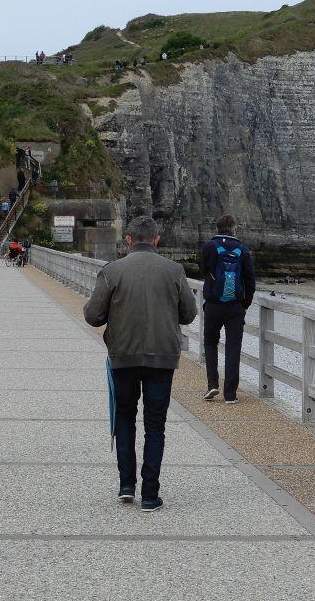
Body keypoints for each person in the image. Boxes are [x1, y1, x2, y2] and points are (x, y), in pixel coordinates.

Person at [84, 216, 197, 512]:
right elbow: (188, 314)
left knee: (124, 418)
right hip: (162, 358)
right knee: (155, 425)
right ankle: (150, 494)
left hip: (123, 356)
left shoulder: (112, 271)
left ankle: (126, 485)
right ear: (157, 239)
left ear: (129, 240)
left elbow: (93, 316)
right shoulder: (174, 270)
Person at [200, 215, 256, 404]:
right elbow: (250, 281)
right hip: (234, 307)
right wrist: (245, 304)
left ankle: (212, 384)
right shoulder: (243, 249)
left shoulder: (209, 246)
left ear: (217, 229)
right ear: (234, 229)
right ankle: (230, 394)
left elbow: (203, 270)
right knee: (233, 348)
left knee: (210, 343)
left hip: (214, 305)